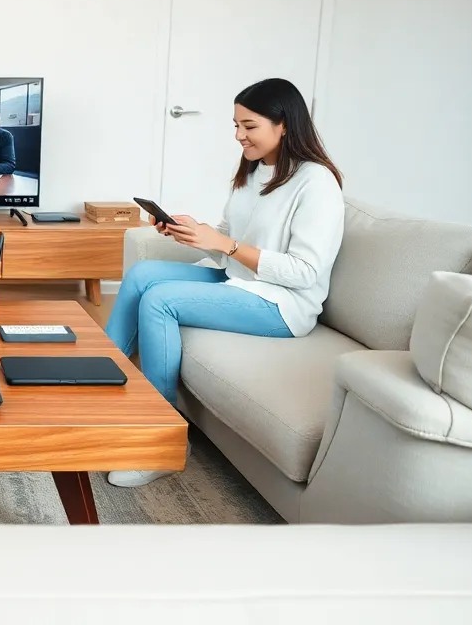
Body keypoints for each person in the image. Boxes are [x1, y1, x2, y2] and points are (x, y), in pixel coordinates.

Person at [103, 77, 345, 488]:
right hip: (240, 280)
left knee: (161, 300)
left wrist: (226, 245)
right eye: (236, 125)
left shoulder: (316, 182)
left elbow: (306, 272)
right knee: (144, 275)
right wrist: (194, 232)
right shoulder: (255, 172)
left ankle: (163, 442)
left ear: (283, 124)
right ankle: (93, 385)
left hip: (283, 305)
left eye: (249, 127)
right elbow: (228, 242)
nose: (238, 136)